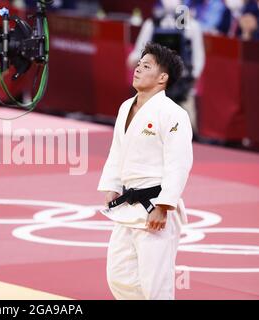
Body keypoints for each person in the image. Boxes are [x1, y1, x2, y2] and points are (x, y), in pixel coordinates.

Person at [98, 42, 193, 300]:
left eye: (146, 66)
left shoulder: (173, 114)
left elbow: (179, 163)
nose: (138, 69)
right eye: (139, 64)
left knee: (155, 285)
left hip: (154, 207)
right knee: (119, 277)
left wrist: (164, 205)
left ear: (162, 78)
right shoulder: (125, 107)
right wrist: (111, 185)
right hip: (127, 204)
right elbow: (117, 150)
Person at [127, 0, 205, 134]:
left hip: (182, 89)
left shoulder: (191, 26)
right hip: (153, 88)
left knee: (185, 130)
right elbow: (137, 54)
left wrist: (190, 80)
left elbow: (199, 58)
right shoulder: (152, 24)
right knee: (145, 129)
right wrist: (136, 62)